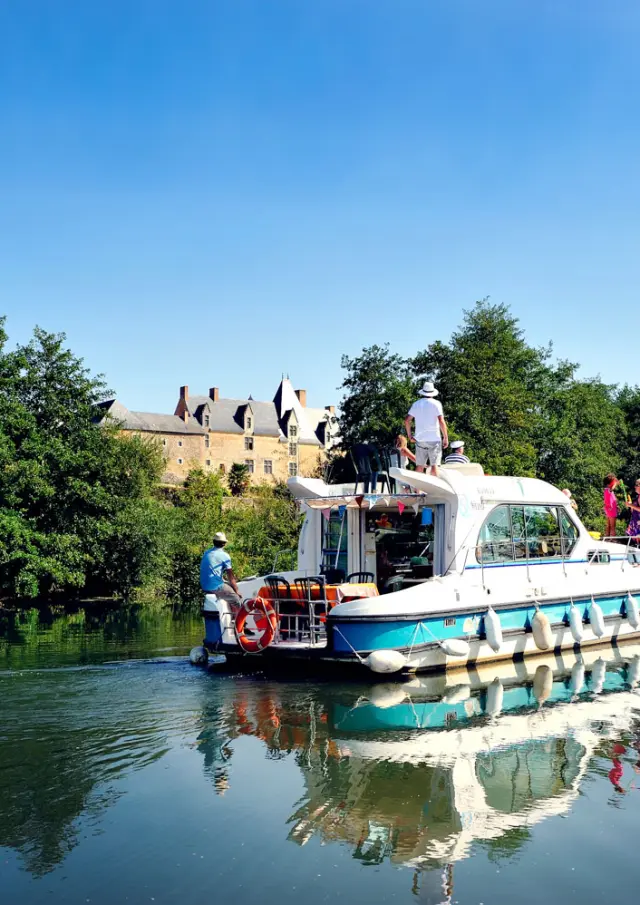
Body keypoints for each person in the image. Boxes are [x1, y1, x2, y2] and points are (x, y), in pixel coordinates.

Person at [404, 381, 449, 476]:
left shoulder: (416, 404)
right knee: (435, 465)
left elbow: (407, 420)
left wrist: (409, 436)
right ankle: (435, 490)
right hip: (434, 439)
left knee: (420, 466)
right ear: (433, 392)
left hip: (420, 439)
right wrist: (445, 437)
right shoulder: (436, 403)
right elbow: (441, 420)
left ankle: (417, 491)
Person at [200, 531, 242, 608]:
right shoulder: (224, 556)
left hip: (204, 585)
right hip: (215, 586)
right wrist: (237, 591)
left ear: (213, 542)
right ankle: (239, 619)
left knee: (228, 587)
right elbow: (231, 577)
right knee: (236, 599)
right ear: (224, 544)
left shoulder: (206, 553)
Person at [603, 473, 619, 539]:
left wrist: (617, 506)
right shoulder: (609, 489)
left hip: (609, 509)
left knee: (608, 525)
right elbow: (612, 488)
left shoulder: (606, 490)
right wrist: (616, 483)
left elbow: (611, 500)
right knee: (613, 526)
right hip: (611, 510)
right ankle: (613, 539)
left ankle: (606, 538)